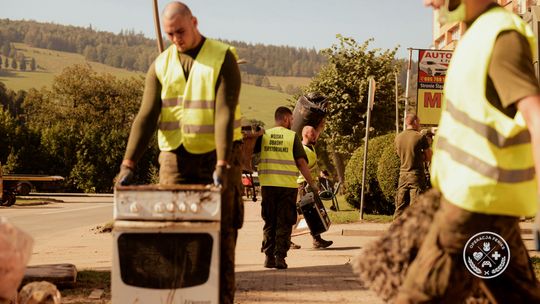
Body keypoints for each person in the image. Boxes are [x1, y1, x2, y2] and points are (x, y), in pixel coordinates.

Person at [395, 0, 540, 302]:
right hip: (478, 205)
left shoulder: (501, 36)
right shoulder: (475, 36)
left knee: (416, 296)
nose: (428, 2)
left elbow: (535, 117)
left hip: (472, 210)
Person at [114, 2, 243, 303]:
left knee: (221, 238)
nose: (176, 39)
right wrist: (128, 162)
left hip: (218, 157)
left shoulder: (222, 57)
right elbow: (146, 116)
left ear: (195, 22)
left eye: (180, 32)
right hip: (175, 160)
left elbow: (224, 111)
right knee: (173, 236)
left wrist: (223, 163)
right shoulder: (161, 64)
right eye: (170, 34)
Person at [256, 106, 318, 269]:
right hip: (287, 187)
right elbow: (301, 162)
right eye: (291, 119)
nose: (292, 122)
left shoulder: (264, 135)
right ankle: (280, 258)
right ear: (284, 119)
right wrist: (312, 183)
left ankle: (268, 257)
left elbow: (250, 154)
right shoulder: (292, 137)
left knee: (269, 222)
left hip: (268, 187)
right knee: (284, 222)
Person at [295, 126, 333, 249]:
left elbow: (318, 131)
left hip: (310, 184)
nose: (316, 136)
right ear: (306, 135)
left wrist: (322, 123)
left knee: (314, 213)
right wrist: (311, 184)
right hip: (304, 185)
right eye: (313, 134)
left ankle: (317, 240)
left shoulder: (311, 146)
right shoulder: (302, 149)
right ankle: (285, 240)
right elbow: (302, 167)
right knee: (302, 214)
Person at [393, 114, 432, 219]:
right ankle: (414, 232)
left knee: (400, 206)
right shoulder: (420, 136)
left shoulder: (398, 137)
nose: (419, 124)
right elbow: (429, 156)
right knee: (416, 208)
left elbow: (398, 154)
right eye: (419, 122)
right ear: (415, 122)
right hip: (416, 175)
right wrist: (421, 157)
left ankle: (395, 230)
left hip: (403, 175)